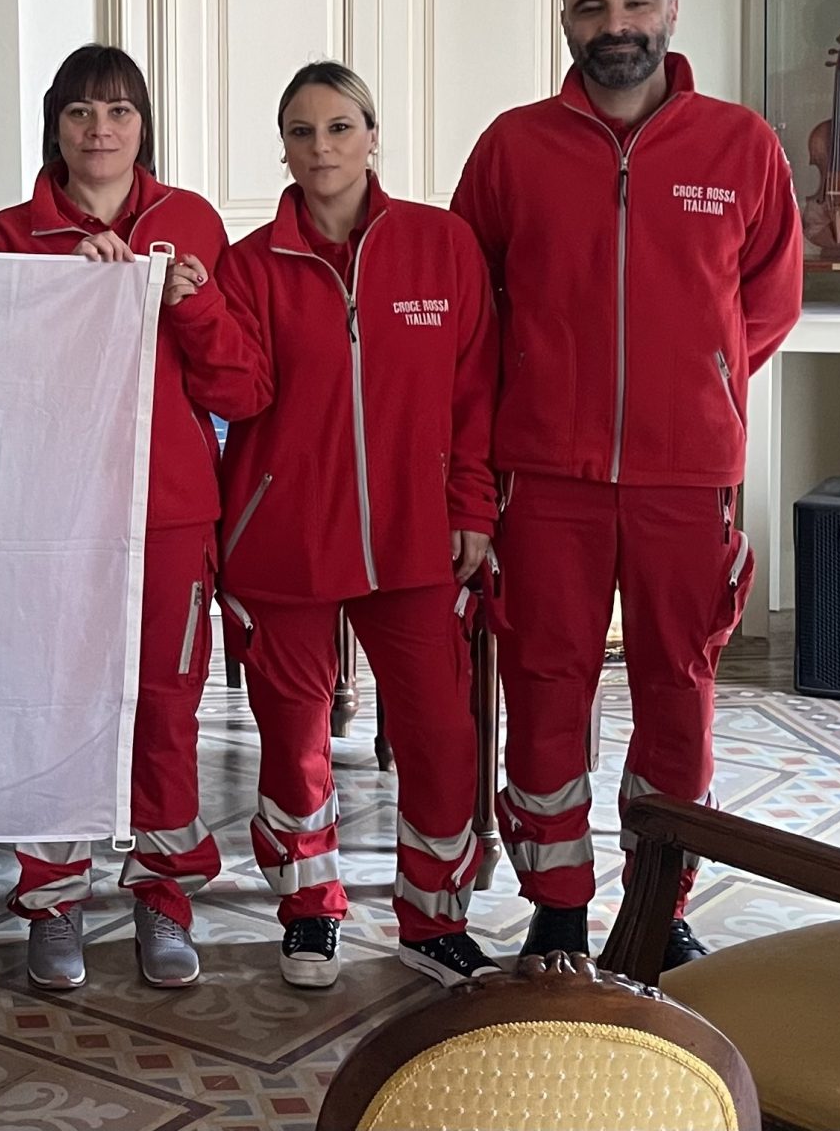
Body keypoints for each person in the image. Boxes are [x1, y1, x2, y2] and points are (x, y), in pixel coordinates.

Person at [453, 0, 800, 968]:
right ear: (566, 22)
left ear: (671, 11)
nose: (616, 25)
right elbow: (474, 303)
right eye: (592, 7)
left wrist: (696, 384)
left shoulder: (741, 145)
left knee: (677, 694)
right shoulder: (512, 148)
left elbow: (768, 300)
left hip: (686, 481)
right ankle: (557, 903)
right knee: (543, 688)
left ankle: (658, 903)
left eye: (635, 2)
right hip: (544, 477)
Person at [0, 45, 265, 994]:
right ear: (54, 126)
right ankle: (53, 901)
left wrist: (195, 303)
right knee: (53, 704)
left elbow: (240, 387)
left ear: (144, 126)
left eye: (119, 112)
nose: (99, 130)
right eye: (79, 112)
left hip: (172, 514)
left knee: (165, 709)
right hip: (52, 513)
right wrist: (68, 300)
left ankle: (163, 893)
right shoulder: (10, 235)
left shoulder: (191, 223)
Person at [214, 62, 502, 991]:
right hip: (284, 542)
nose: (321, 148)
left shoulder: (442, 245)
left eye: (340, 127)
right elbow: (237, 392)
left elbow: (474, 391)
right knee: (295, 740)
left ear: (373, 136)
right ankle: (309, 908)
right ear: (284, 149)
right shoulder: (247, 265)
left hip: (417, 540)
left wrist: (471, 506)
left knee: (439, 735)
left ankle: (434, 919)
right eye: (301, 132)